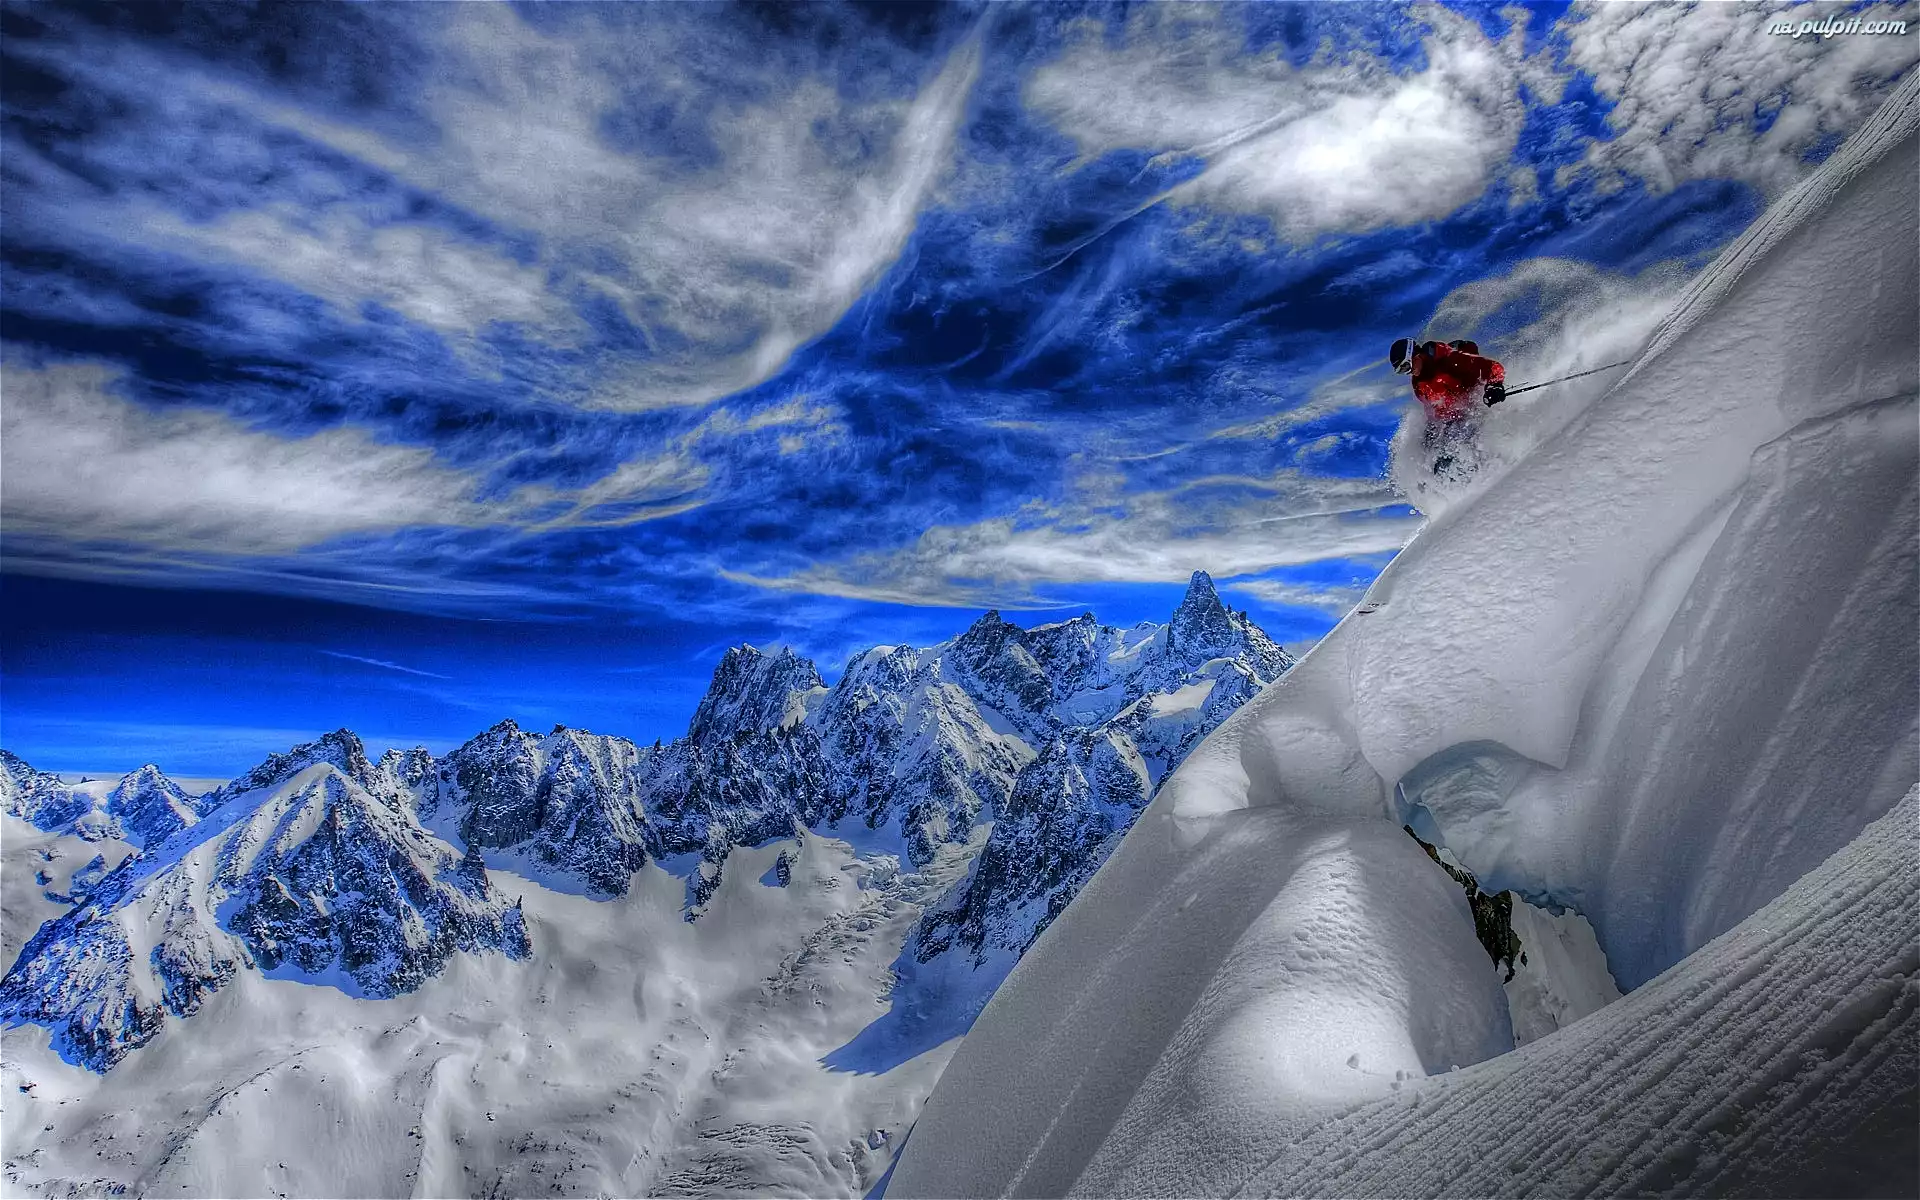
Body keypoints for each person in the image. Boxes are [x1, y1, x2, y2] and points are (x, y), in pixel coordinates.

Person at [1389, 337, 1507, 476]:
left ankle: (1488, 478)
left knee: (1448, 457)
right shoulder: (1418, 384)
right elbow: (1432, 409)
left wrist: (1495, 385)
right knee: (1432, 457)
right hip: (1453, 420)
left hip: (1475, 411)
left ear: (1415, 355)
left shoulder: (1449, 360)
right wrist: (1431, 430)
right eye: (1402, 371)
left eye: (1406, 366)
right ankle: (1446, 488)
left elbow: (1492, 366)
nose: (1408, 372)